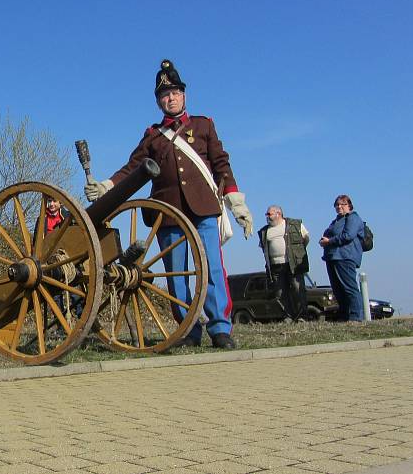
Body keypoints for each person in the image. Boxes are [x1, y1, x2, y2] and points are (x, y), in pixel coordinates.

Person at [85, 59, 253, 349]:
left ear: (184, 95)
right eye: (164, 95)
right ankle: (188, 330)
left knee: (212, 269)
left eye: (174, 92)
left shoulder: (203, 126)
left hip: (203, 209)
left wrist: (237, 204)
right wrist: (106, 186)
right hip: (169, 214)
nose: (170, 98)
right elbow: (131, 168)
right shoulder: (152, 136)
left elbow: (221, 165)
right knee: (177, 275)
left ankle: (220, 329)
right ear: (158, 101)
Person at [258, 205, 310, 321]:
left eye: (269, 214)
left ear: (278, 214)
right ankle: (288, 316)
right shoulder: (264, 231)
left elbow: (306, 239)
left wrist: (296, 254)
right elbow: (263, 247)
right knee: (280, 292)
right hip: (275, 265)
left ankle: (302, 316)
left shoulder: (294, 225)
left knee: (297, 289)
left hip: (292, 264)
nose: (267, 217)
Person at [319, 194, 364, 321]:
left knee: (349, 287)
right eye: (337, 205)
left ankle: (356, 316)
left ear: (349, 205)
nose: (339, 207)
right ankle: (344, 315)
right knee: (338, 289)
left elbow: (348, 236)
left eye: (342, 204)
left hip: (345, 257)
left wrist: (329, 241)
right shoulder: (336, 221)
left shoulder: (353, 218)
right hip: (332, 257)